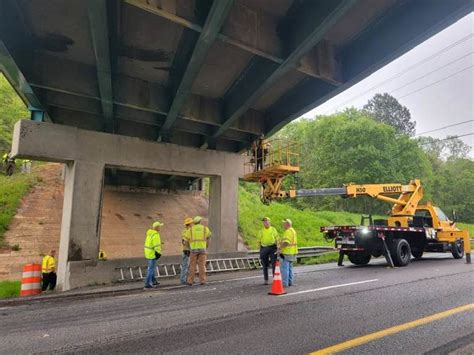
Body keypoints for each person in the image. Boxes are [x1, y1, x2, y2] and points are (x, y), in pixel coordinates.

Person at [185, 216, 211, 285]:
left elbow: (186, 241)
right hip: (202, 249)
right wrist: (206, 246)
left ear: (194, 222)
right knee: (202, 265)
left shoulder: (190, 230)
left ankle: (190, 281)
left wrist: (189, 248)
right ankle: (202, 281)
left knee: (192, 265)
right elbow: (208, 239)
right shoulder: (205, 229)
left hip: (193, 249)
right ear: (200, 221)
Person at [258, 217, 278, 285]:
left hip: (272, 248)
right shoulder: (261, 231)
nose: (265, 223)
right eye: (264, 222)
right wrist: (260, 251)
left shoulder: (273, 229)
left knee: (273, 264)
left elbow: (277, 239)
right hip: (264, 247)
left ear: (269, 222)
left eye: (266, 221)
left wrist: (278, 248)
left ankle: (275, 279)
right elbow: (259, 241)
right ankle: (266, 280)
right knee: (264, 265)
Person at [144, 221, 163, 289]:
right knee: (151, 269)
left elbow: (151, 243)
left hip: (148, 252)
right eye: (159, 227)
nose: (160, 228)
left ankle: (154, 281)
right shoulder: (156, 235)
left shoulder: (150, 234)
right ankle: (147, 283)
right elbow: (156, 246)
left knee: (151, 267)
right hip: (152, 253)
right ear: (157, 228)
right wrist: (158, 253)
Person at [279, 219, 298, 287]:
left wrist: (280, 248)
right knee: (290, 269)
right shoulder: (293, 231)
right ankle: (290, 282)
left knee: (284, 269)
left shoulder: (287, 231)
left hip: (287, 253)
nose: (283, 225)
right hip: (293, 252)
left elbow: (286, 242)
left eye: (284, 224)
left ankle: (285, 284)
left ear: (287, 224)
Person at [180, 217, 193, 284]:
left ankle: (187, 279)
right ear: (189, 224)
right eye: (191, 223)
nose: (192, 224)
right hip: (187, 251)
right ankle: (183, 280)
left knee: (187, 265)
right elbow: (185, 241)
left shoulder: (185, 231)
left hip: (187, 250)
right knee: (185, 265)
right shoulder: (187, 231)